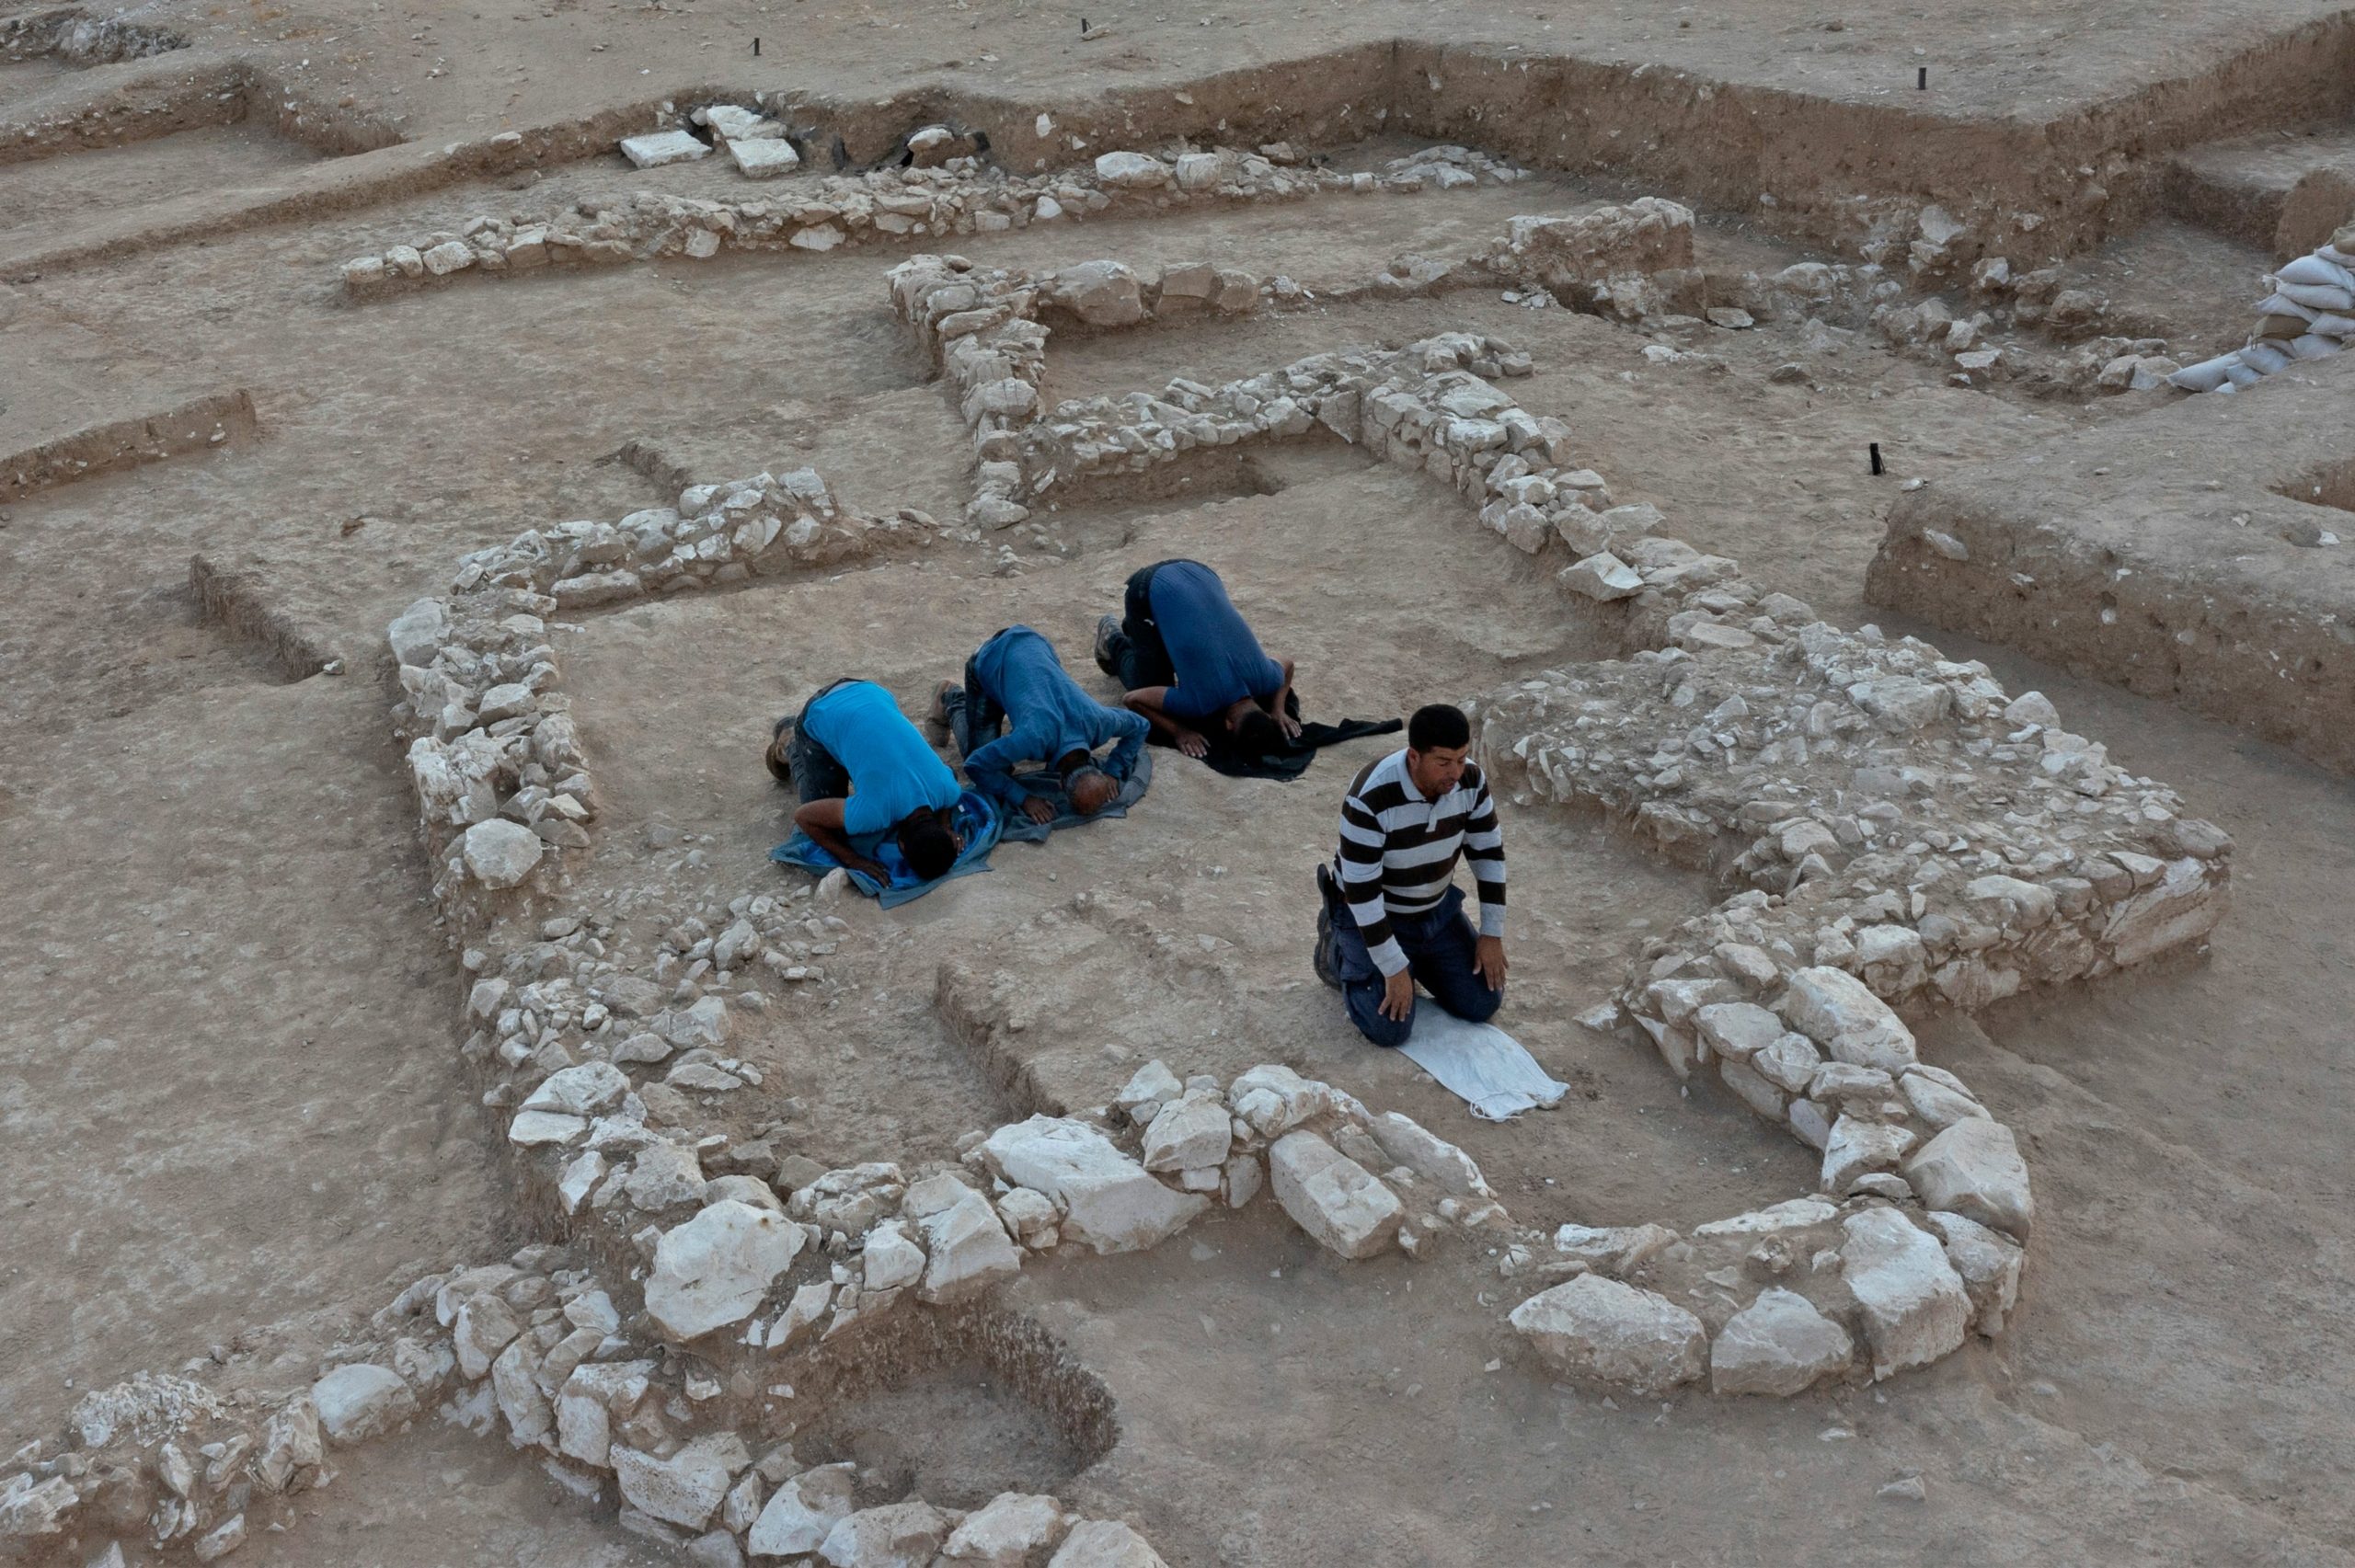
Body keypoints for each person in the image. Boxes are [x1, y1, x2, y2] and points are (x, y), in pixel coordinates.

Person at [1314, 703, 1508, 1047]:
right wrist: (1391, 966)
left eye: (1462, 759)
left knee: (1482, 1001)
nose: (1456, 772)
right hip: (1372, 914)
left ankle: (1415, 960)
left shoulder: (1471, 782)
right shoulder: (1370, 796)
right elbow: (1363, 892)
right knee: (1388, 1029)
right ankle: (1337, 946)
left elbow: (1488, 854)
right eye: (1444, 763)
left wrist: (1492, 934)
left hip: (1434, 910)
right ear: (1414, 757)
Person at [936, 624, 1150, 826]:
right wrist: (1023, 798)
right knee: (989, 763)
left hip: (1035, 644)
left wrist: (1113, 770)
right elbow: (975, 766)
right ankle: (952, 698)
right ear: (1059, 784)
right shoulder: (1034, 738)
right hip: (989, 657)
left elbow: (1140, 725)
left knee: (1006, 751)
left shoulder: (1099, 722)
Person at [1092, 558, 1298, 759]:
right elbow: (1132, 698)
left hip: (1198, 571)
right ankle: (1112, 639)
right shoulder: (1200, 702)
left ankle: (1141, 630)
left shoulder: (1268, 678)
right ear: (1228, 725)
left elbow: (1287, 664)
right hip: (1145, 587)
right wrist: (1179, 731)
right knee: (1146, 682)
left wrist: (1278, 709)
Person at [766, 679, 963, 883]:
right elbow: (804, 817)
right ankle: (790, 738)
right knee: (831, 827)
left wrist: (946, 825)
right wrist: (852, 859)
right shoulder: (873, 812)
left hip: (871, 692)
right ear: (901, 846)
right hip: (821, 710)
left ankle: (829, 749)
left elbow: (952, 778)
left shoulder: (946, 789)